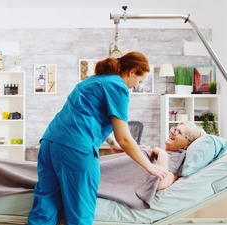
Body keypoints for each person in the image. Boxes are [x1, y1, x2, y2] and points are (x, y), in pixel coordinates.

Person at [28, 52, 168, 225]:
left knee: (45, 204)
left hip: (50, 143)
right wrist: (149, 167)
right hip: (76, 149)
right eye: (140, 80)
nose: (135, 86)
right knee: (80, 211)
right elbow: (124, 138)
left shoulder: (93, 80)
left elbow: (88, 116)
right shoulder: (118, 86)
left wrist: (111, 143)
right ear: (132, 71)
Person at [106, 121, 207, 190]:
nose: (172, 132)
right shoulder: (168, 153)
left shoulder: (177, 157)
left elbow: (161, 184)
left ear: (188, 143)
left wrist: (162, 154)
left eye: (178, 132)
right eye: (174, 129)